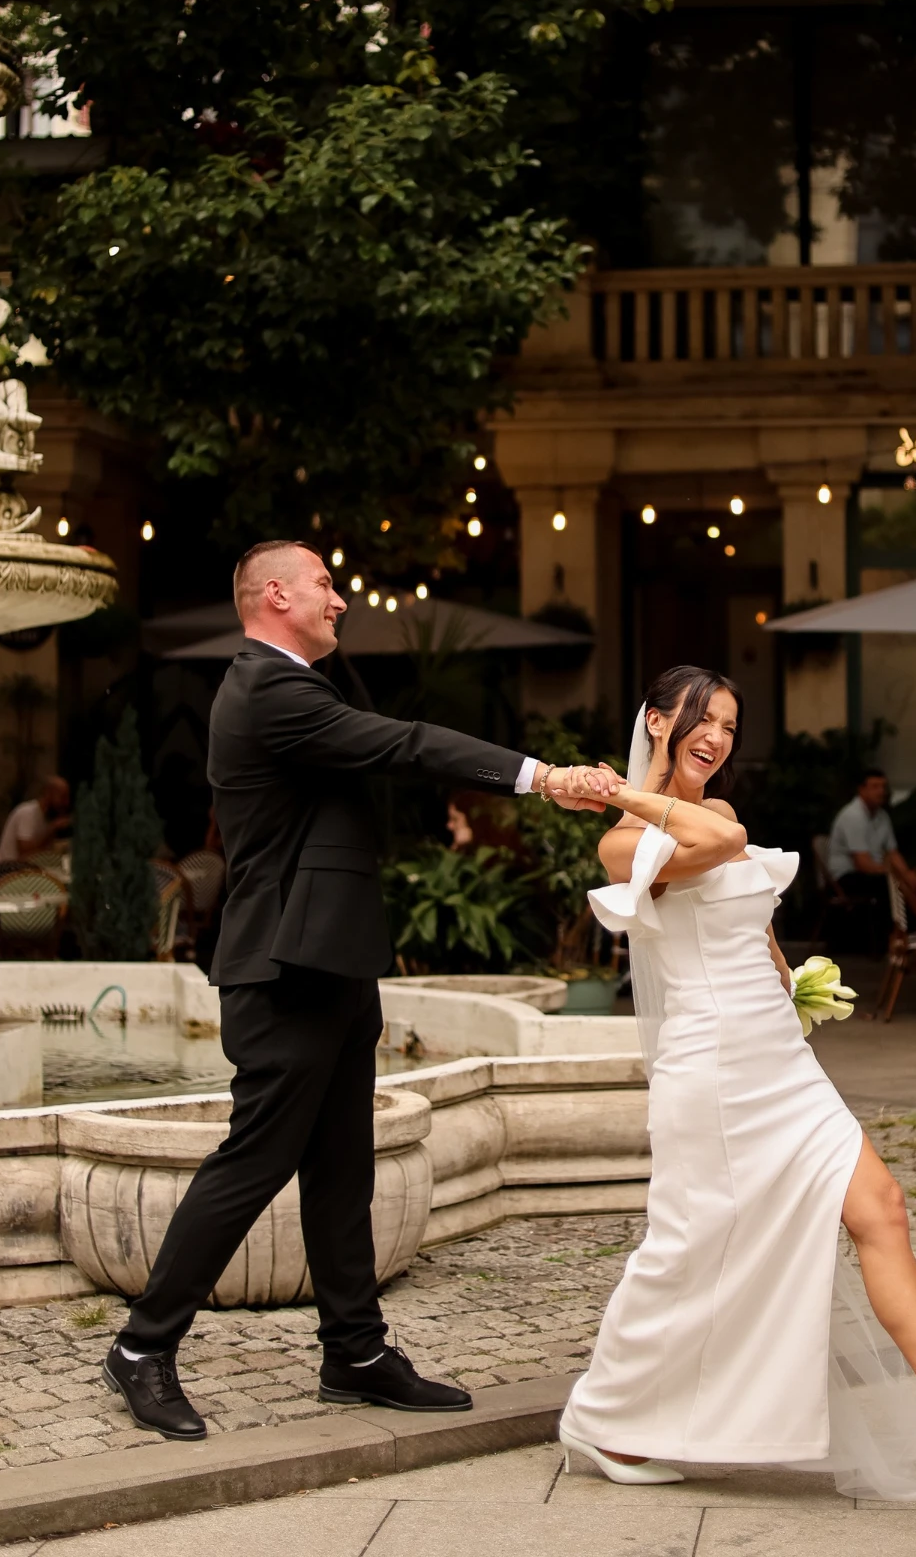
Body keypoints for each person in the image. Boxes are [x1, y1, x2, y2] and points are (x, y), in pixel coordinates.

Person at [103, 539, 615, 1442]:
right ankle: (141, 1347)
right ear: (274, 595)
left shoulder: (303, 685)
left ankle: (355, 1352)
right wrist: (543, 778)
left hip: (329, 961)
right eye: (326, 586)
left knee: (341, 1165)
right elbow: (406, 744)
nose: (340, 601)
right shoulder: (267, 688)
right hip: (282, 969)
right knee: (255, 1161)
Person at [558, 665, 916, 1497]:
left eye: (730, 725)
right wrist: (625, 795)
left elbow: (751, 913)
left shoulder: (721, 811)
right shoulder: (621, 845)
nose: (717, 737)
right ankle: (601, 1415)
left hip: (778, 1060)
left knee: (882, 1205)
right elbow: (715, 848)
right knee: (688, 1249)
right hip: (713, 1067)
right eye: (702, 718)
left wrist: (794, 986)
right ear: (657, 720)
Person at [826, 768, 916, 950]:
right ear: (862, 789)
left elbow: (892, 852)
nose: (881, 791)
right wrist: (902, 876)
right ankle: (898, 939)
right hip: (847, 877)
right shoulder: (853, 816)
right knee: (891, 885)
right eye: (875, 786)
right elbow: (862, 863)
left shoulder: (882, 816)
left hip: (874, 872)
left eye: (883, 786)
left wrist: (907, 874)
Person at [0, 775, 70, 863]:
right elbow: (25, 854)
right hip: (8, 868)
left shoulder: (47, 816)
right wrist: (52, 829)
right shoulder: (28, 813)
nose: (66, 802)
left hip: (25, 867)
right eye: (62, 797)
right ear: (49, 794)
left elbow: (44, 849)